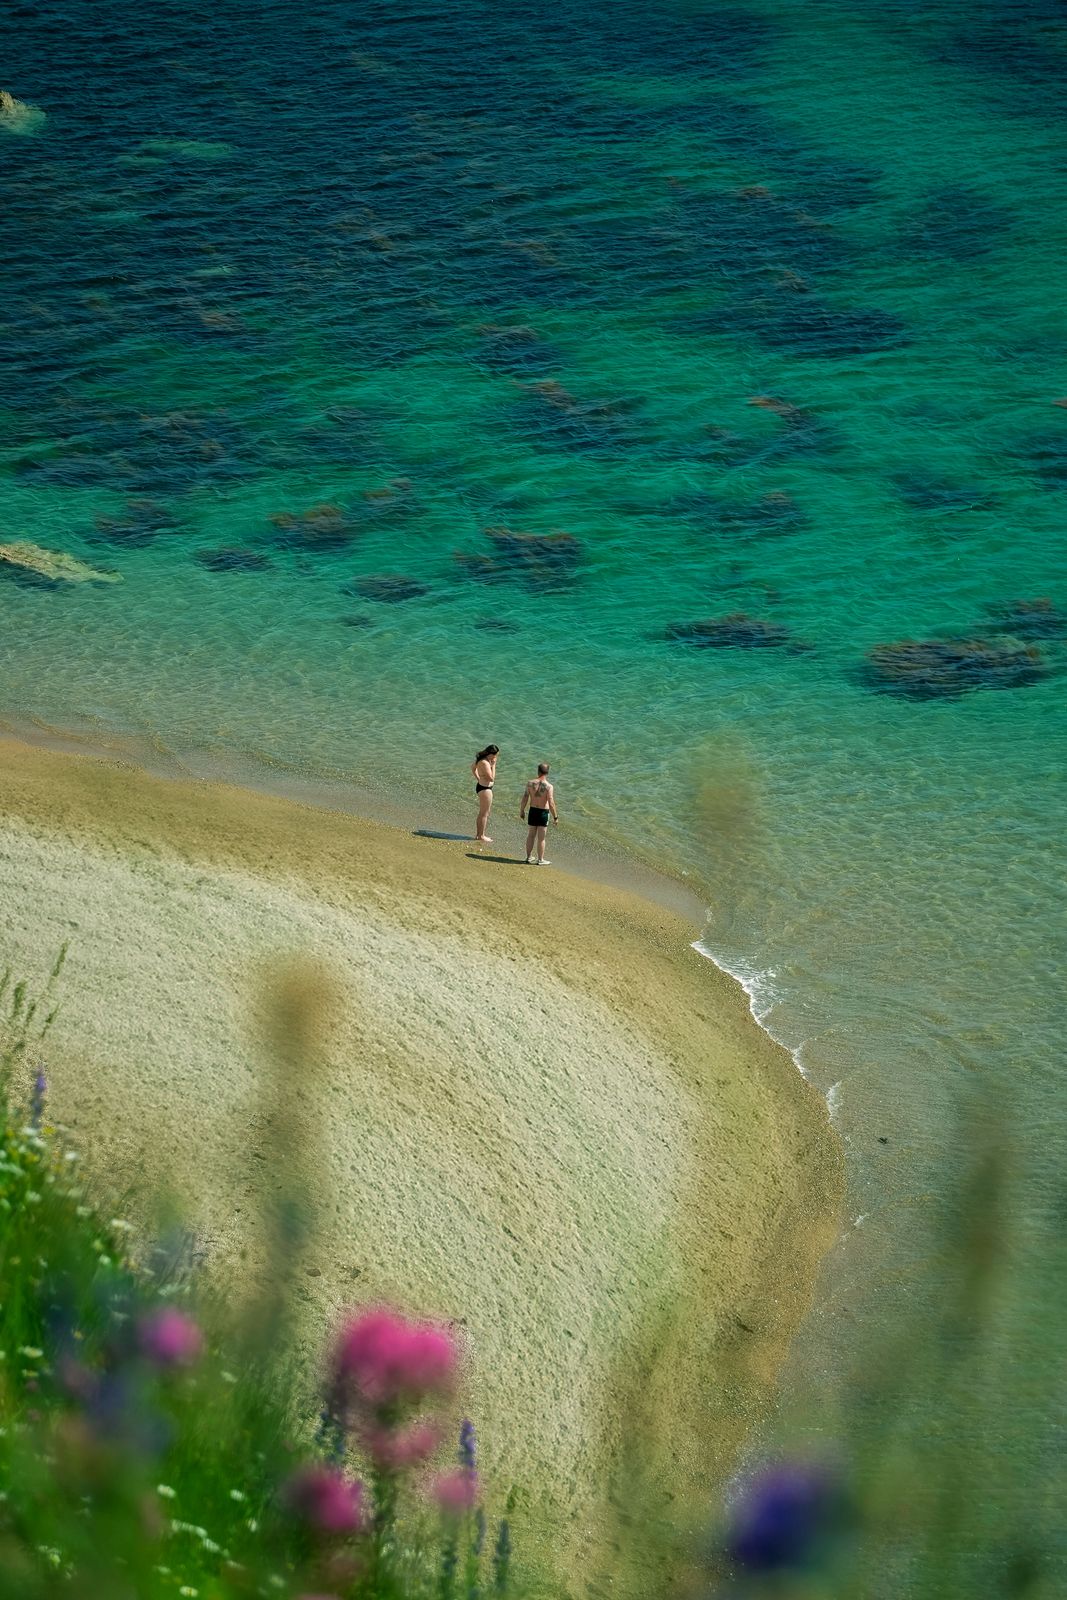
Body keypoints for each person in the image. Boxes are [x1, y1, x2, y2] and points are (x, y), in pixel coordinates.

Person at [520, 762, 558, 864]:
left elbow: (525, 797)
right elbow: (551, 802)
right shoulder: (549, 786)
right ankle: (540, 860)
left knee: (531, 835)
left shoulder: (530, 783)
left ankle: (528, 857)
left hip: (532, 810)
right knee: (541, 838)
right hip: (543, 813)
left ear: (538, 771)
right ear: (547, 773)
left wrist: (522, 810)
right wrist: (555, 817)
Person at [471, 744, 499, 843]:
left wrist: (478, 778)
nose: (496, 757)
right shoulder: (485, 763)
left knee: (482, 813)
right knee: (484, 814)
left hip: (481, 787)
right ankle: (481, 836)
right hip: (485, 789)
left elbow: (473, 768)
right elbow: (491, 778)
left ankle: (478, 835)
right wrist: (494, 765)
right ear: (491, 754)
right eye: (495, 755)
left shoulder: (480, 759)